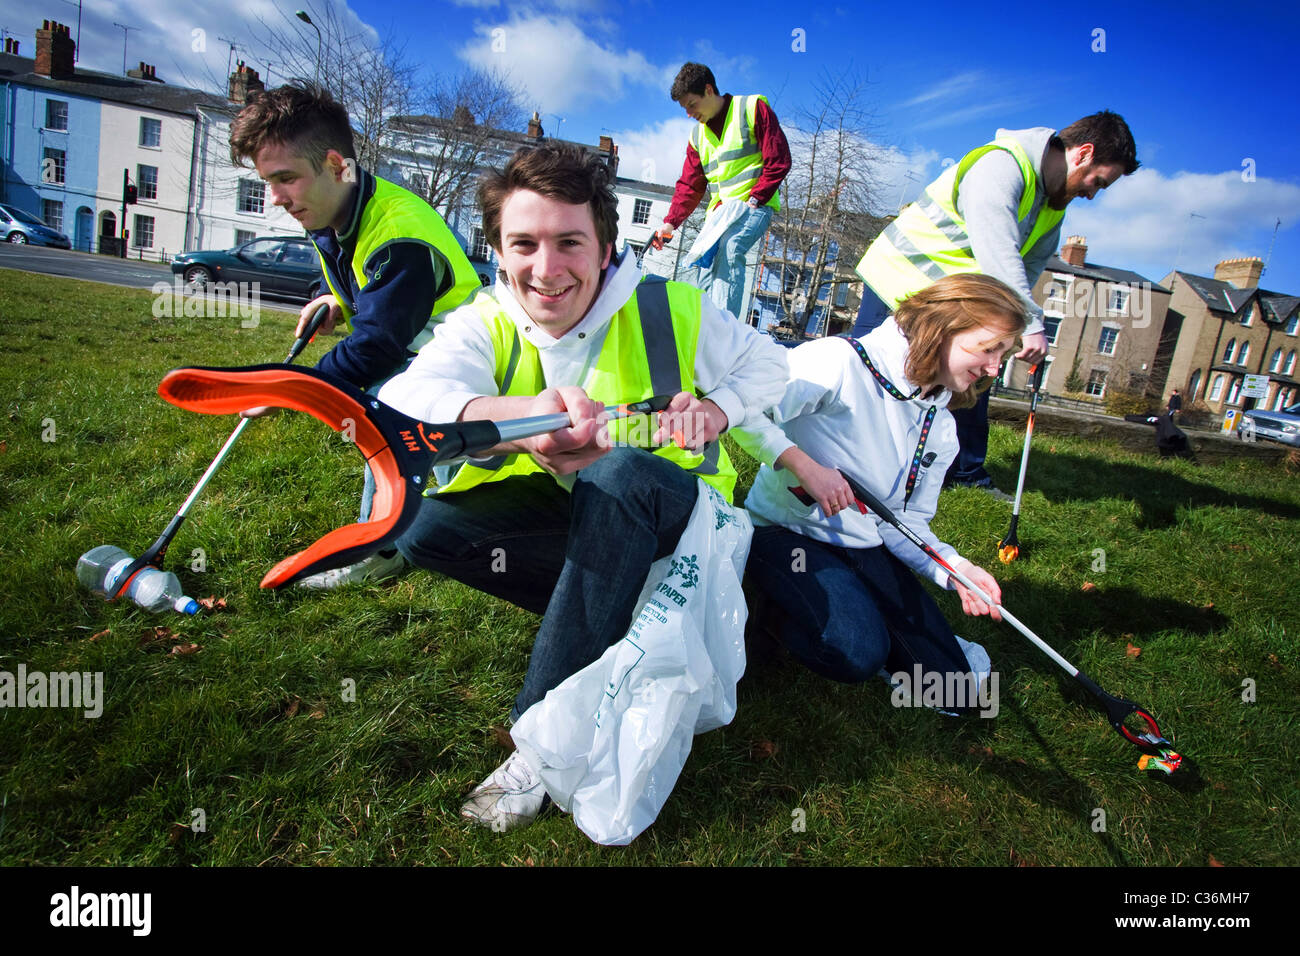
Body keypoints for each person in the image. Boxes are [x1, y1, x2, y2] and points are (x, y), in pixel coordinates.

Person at [377, 142, 789, 832]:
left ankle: (537, 745)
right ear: (500, 252)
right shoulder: (490, 318)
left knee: (619, 471)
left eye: (569, 242)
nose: (546, 269)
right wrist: (521, 424)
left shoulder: (671, 308)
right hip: (578, 527)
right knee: (424, 528)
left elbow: (771, 367)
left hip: (680, 530)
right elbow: (409, 400)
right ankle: (608, 623)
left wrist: (716, 411)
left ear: (604, 248)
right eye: (524, 244)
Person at [228, 81, 481, 587]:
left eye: (285, 179)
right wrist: (333, 300)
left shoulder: (399, 234)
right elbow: (355, 278)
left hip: (470, 359)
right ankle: (408, 526)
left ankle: (381, 544)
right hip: (419, 345)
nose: (275, 198)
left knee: (391, 407)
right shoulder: (329, 207)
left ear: (336, 164)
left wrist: (289, 389)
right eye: (268, 181)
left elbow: (377, 345)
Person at [732, 274, 1027, 705]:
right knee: (855, 652)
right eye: (988, 350)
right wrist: (803, 466)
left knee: (956, 690)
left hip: (865, 546)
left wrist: (955, 570)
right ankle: (771, 613)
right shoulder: (838, 360)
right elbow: (742, 409)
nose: (994, 369)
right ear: (941, 329)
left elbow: (903, 524)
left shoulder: (942, 426)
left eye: (1002, 355)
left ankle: (859, 606)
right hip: (783, 535)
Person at [851, 111, 1139, 496]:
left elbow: (1027, 268)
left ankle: (963, 473)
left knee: (974, 377)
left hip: (947, 297)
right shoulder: (1000, 166)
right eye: (1098, 181)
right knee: (871, 375)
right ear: (1083, 153)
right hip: (898, 277)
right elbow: (997, 250)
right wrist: (1032, 326)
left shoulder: (1051, 209)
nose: (1092, 193)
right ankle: (847, 456)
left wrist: (1008, 327)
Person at [654, 62, 791, 320]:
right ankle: (699, 329)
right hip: (720, 214)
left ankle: (723, 333)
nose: (689, 114)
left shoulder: (751, 109)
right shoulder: (698, 137)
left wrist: (756, 197)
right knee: (700, 265)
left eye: (692, 105)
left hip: (754, 205)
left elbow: (779, 159)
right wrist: (670, 224)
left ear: (708, 90)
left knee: (731, 247)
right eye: (685, 109)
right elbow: (689, 185)